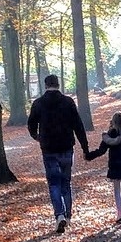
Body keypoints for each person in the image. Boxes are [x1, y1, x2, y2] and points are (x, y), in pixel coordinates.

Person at [28, 74, 90, 232]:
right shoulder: (68, 102)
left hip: (48, 149)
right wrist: (85, 147)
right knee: (66, 182)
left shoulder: (38, 103)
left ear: (45, 85)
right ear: (58, 84)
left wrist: (38, 137)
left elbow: (31, 125)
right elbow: (78, 125)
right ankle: (68, 216)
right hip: (66, 147)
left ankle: (59, 215)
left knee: (54, 183)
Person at [85, 112, 121, 224]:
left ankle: (119, 213)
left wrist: (89, 156)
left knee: (117, 190)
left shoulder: (110, 134)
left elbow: (101, 151)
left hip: (115, 166)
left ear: (113, 121)